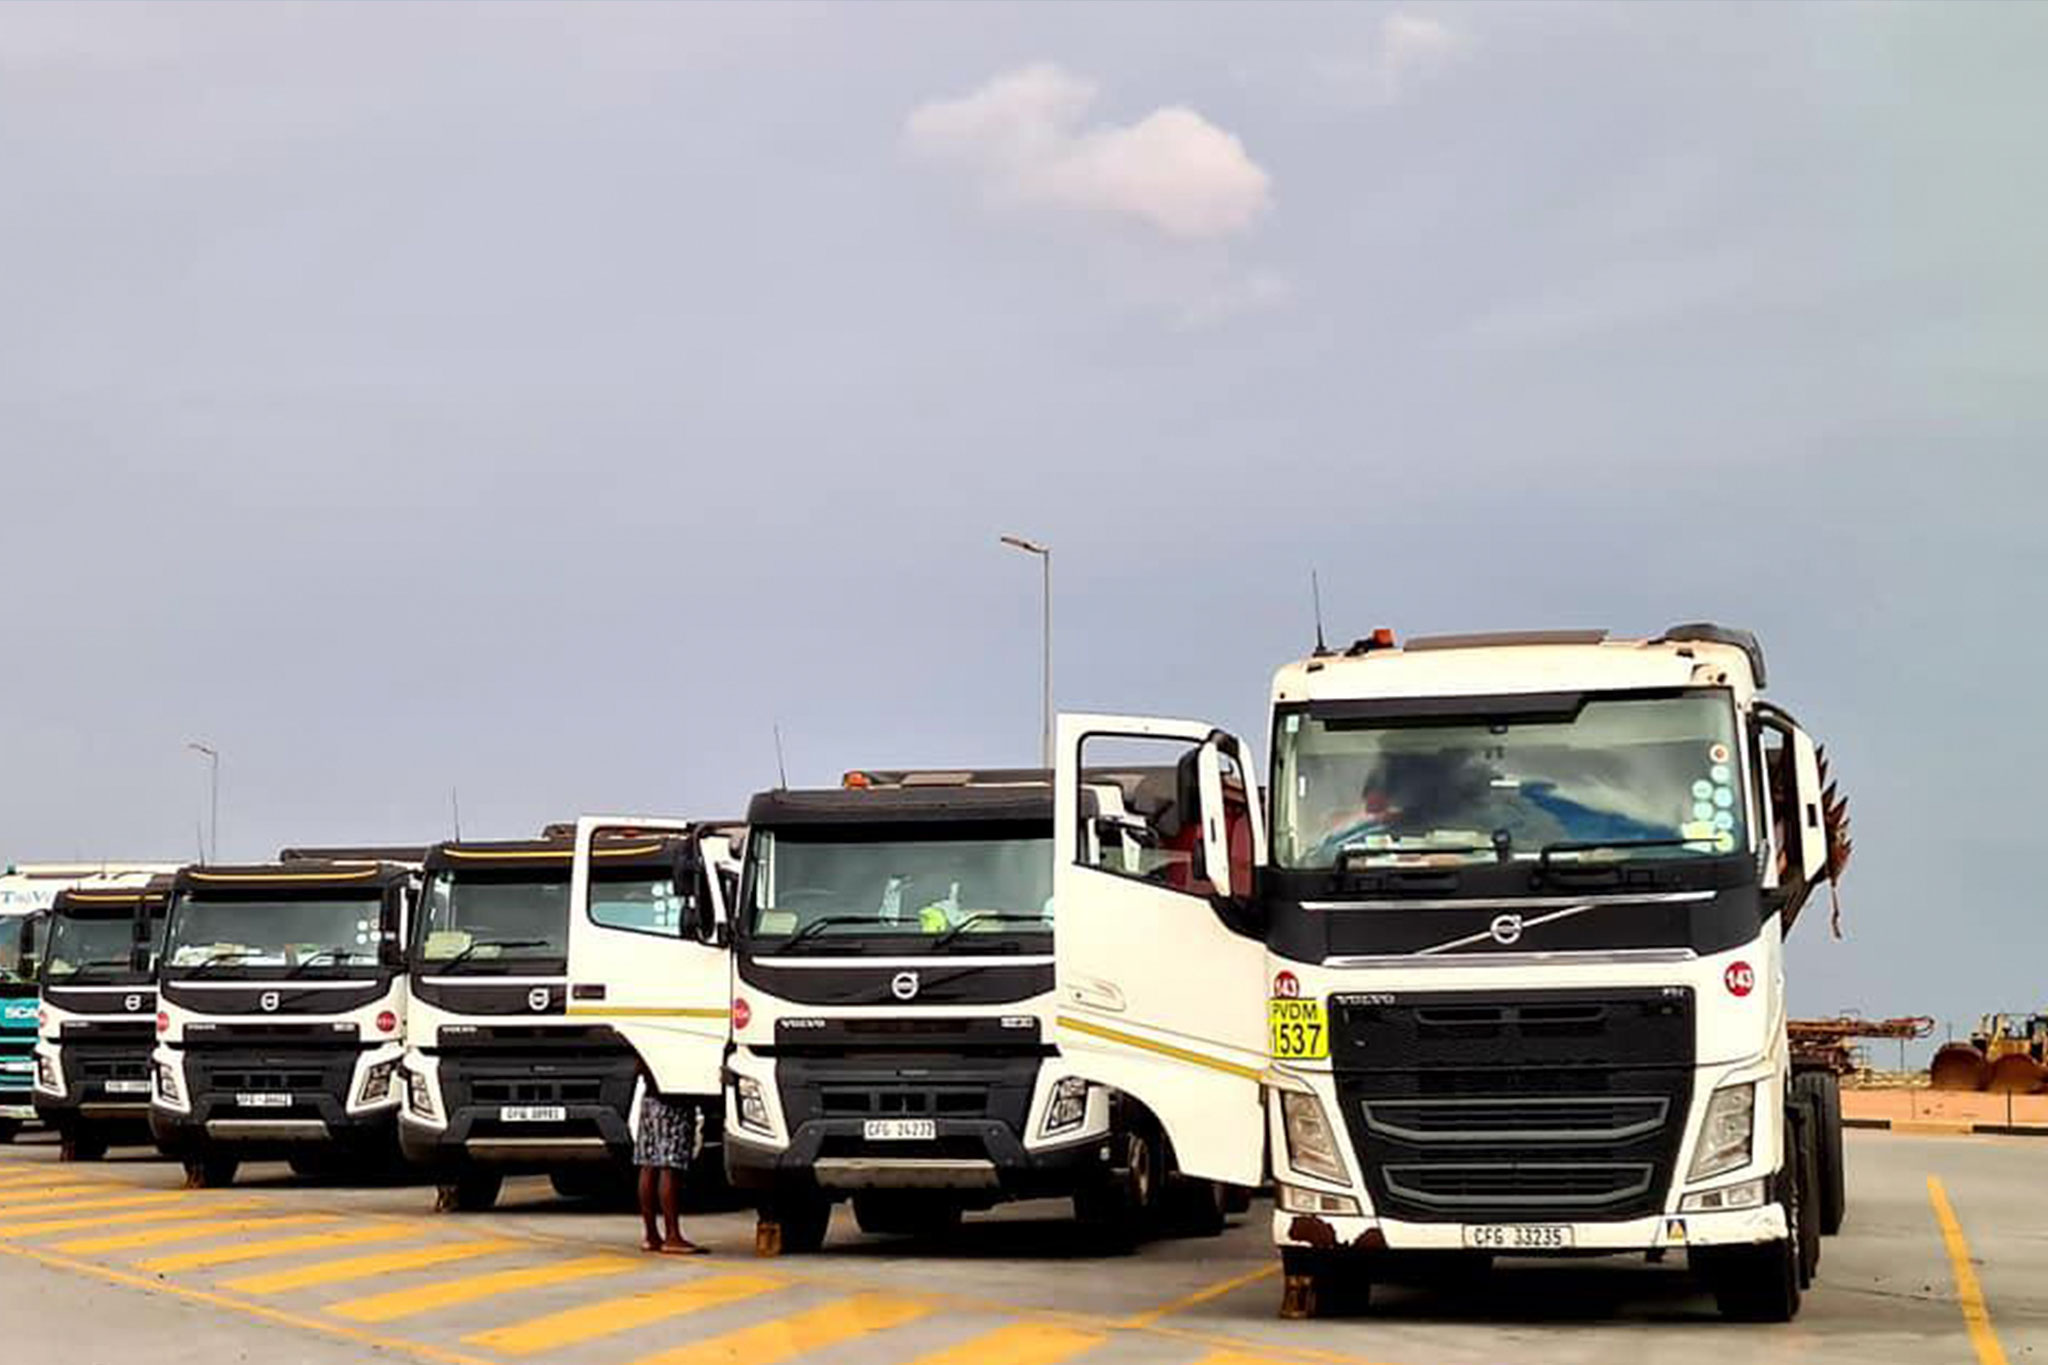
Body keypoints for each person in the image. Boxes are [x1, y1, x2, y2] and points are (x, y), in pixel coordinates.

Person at [634, 1079, 707, 1254]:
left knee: (648, 1164)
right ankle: (672, 1236)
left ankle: (651, 1235)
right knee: (669, 1166)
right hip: (673, 1098)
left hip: (649, 1097)